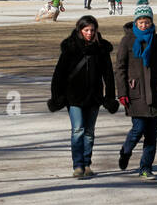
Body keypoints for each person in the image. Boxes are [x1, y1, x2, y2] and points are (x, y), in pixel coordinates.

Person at [47, 15, 119, 178]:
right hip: (74, 97)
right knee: (78, 130)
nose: (89, 33)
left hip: (94, 96)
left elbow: (108, 75)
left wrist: (109, 97)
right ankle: (78, 165)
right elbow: (59, 74)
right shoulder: (70, 47)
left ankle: (87, 163)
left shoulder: (101, 49)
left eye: (92, 30)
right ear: (80, 30)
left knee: (89, 132)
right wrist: (56, 96)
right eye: (86, 30)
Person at [114, 3, 157, 180]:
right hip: (135, 94)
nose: (144, 25)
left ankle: (146, 168)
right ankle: (126, 150)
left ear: (151, 22)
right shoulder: (127, 40)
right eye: (141, 22)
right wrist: (122, 93)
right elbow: (120, 68)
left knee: (151, 134)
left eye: (147, 22)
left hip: (155, 93)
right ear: (136, 22)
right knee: (138, 128)